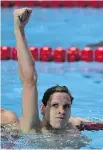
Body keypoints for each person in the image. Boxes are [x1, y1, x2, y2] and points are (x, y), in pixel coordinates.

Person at [1, 8, 102, 133]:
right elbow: (29, 80)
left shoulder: (73, 126)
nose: (61, 111)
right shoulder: (33, 128)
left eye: (66, 107)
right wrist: (19, 30)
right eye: (55, 105)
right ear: (43, 109)